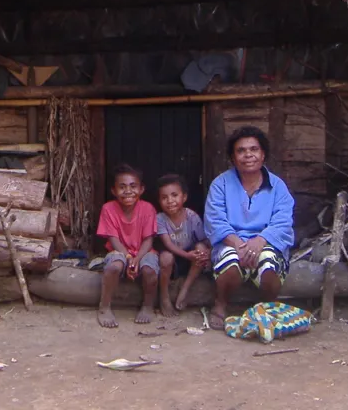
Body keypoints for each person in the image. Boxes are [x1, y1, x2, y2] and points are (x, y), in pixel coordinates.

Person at [204, 126, 295, 329]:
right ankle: (220, 304)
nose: (248, 155)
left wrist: (260, 241)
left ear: (263, 155)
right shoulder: (221, 184)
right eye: (241, 150)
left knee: (269, 265)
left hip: (266, 241)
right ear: (233, 157)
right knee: (230, 263)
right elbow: (215, 221)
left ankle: (266, 307)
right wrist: (239, 244)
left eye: (254, 149)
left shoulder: (277, 186)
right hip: (231, 241)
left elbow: (283, 221)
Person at [96, 164, 160, 328]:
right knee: (113, 267)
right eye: (122, 187)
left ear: (141, 189)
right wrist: (129, 257)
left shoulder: (148, 209)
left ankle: (147, 305)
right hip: (119, 251)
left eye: (133, 186)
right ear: (113, 190)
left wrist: (137, 259)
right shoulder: (108, 209)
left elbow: (148, 240)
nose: (128, 191)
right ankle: (104, 307)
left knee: (150, 270)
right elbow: (113, 239)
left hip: (143, 252)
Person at [156, 174, 209, 317]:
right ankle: (164, 297)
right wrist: (187, 255)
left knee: (201, 249)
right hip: (171, 262)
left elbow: (204, 240)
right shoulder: (160, 219)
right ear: (159, 200)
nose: (170, 201)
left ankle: (185, 288)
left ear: (184, 197)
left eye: (174, 195)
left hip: (190, 260)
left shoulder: (191, 216)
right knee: (166, 257)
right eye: (164, 197)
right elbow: (167, 243)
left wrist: (204, 254)